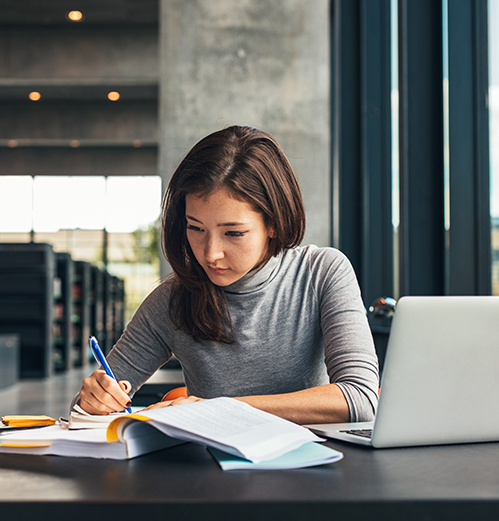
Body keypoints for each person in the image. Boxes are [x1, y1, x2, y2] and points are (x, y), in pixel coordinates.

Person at [75, 125, 379, 424]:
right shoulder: (170, 300)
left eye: (233, 233)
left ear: (273, 223)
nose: (210, 254)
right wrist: (92, 401)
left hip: (315, 466)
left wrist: (215, 409)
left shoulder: (321, 273)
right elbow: (84, 412)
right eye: (196, 228)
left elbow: (360, 398)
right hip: (212, 471)